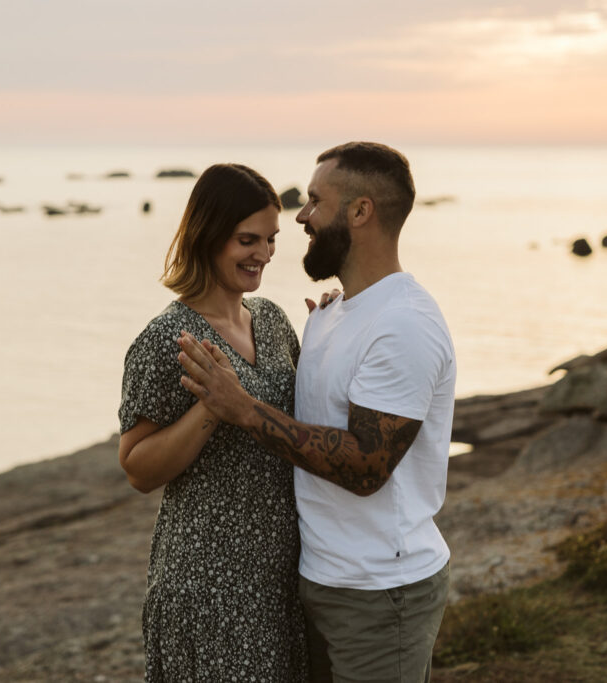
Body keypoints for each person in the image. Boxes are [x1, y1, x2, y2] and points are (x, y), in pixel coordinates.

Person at [177, 142, 456, 683]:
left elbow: (366, 466)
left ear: (360, 212)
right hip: (320, 579)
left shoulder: (404, 325)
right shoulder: (333, 314)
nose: (300, 216)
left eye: (313, 201)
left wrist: (244, 409)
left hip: (381, 593)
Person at [118, 163, 309, 682]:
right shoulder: (166, 340)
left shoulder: (272, 320)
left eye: (271, 239)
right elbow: (137, 468)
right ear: (208, 235)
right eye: (248, 239)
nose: (264, 254)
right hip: (209, 585)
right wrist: (212, 407)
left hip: (283, 574)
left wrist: (338, 329)